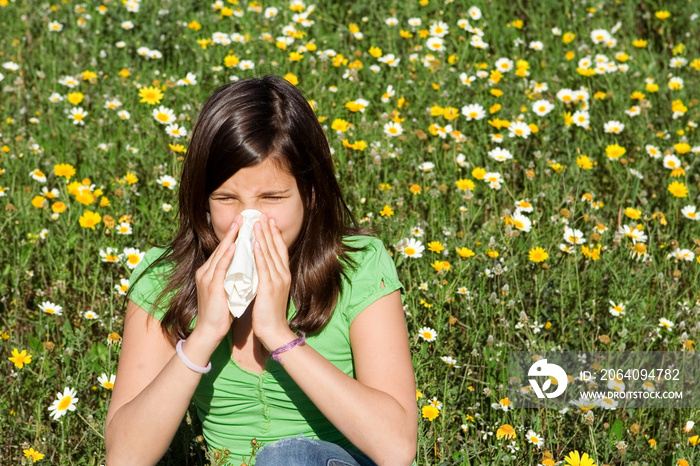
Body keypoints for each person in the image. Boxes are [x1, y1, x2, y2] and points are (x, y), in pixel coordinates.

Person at [104, 75, 417, 466]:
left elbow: (397, 448)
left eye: (272, 197)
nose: (249, 219)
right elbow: (124, 458)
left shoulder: (358, 265)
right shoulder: (163, 279)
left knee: (291, 457)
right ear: (204, 201)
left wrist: (278, 334)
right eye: (227, 199)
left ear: (311, 193)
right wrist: (203, 336)